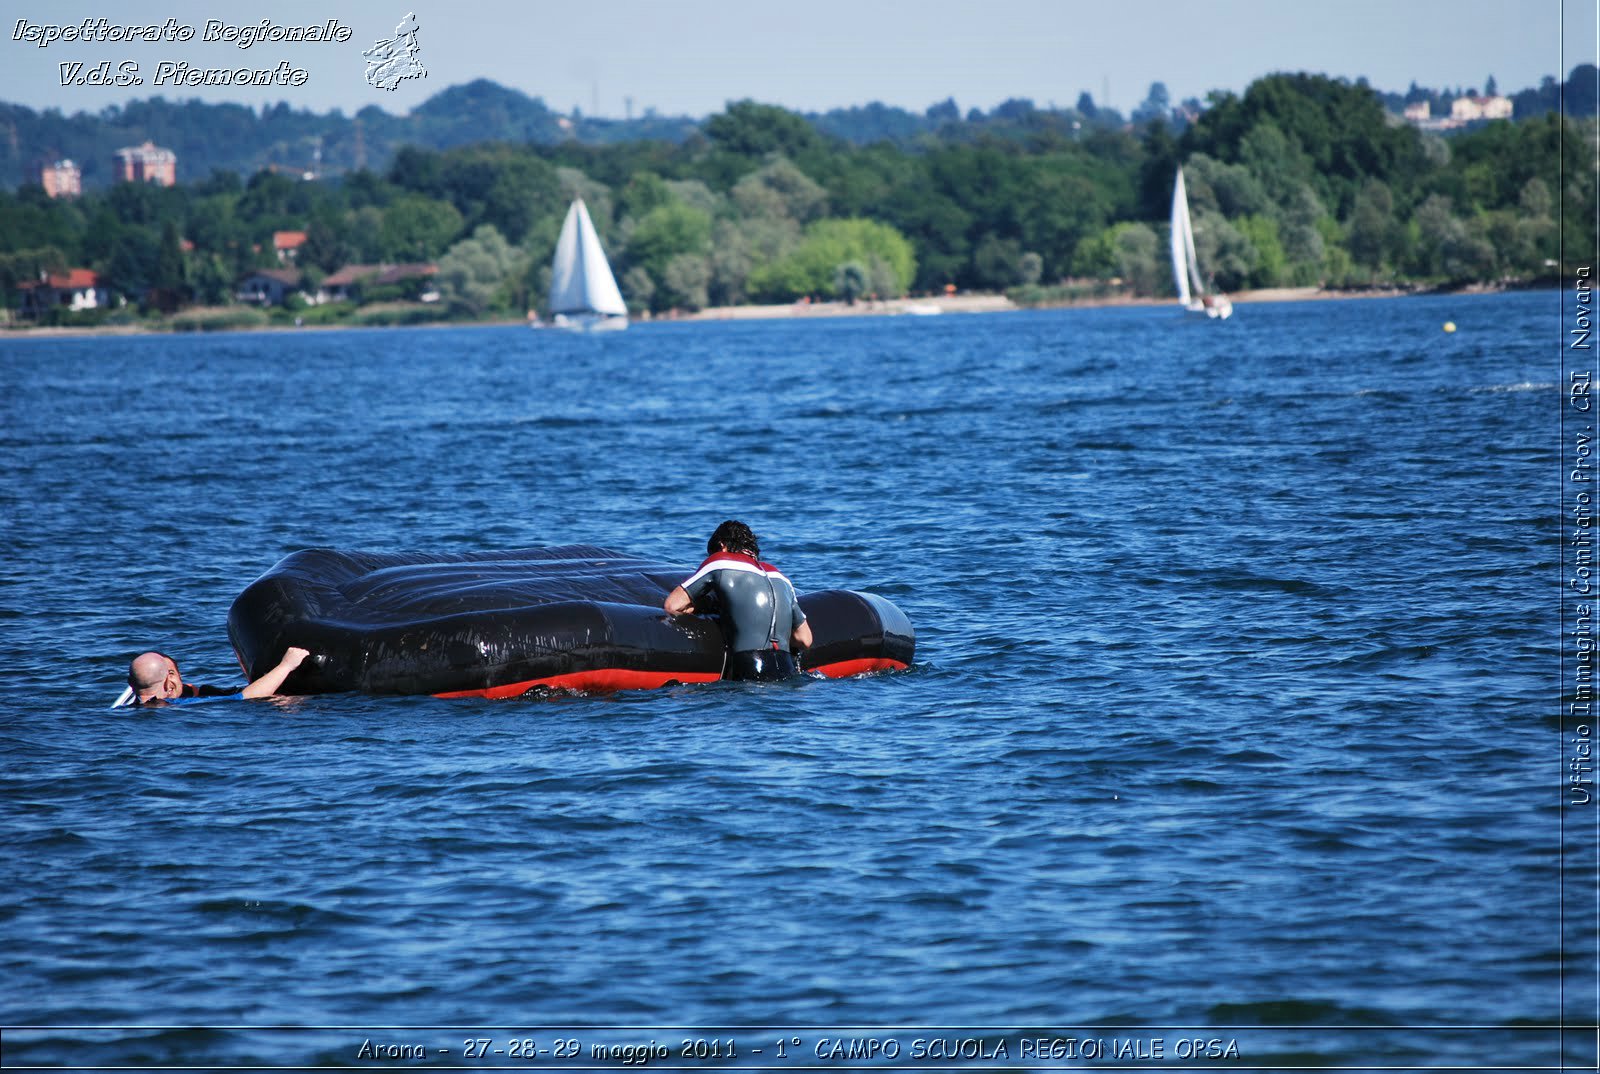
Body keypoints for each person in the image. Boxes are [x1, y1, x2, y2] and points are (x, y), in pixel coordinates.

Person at [664, 520, 814, 682]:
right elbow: (805, 639)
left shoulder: (719, 561)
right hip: (786, 670)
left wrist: (708, 607)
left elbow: (672, 605)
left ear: (722, 547)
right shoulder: (781, 578)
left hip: (748, 670)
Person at [118, 647, 312, 707]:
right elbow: (244, 697)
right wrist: (287, 665)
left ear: (130, 684)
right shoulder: (177, 706)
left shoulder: (122, 710)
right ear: (169, 682)